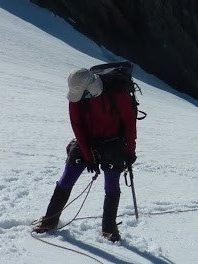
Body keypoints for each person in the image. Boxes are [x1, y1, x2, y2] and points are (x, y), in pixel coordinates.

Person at [34, 68, 137, 241]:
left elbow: (129, 123)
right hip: (87, 141)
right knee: (67, 177)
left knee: (111, 184)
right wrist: (88, 157)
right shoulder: (77, 95)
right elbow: (77, 125)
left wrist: (130, 151)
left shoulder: (118, 94)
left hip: (114, 142)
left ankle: (109, 229)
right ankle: (50, 220)